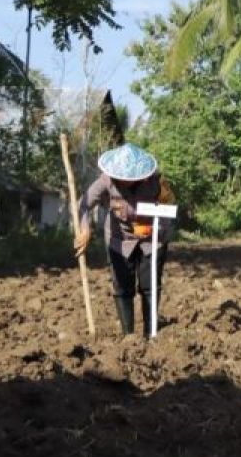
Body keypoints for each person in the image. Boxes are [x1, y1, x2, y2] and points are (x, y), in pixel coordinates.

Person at [74, 143, 175, 337]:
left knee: (150, 285)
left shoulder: (157, 183)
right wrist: (85, 229)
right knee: (122, 286)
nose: (123, 181)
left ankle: (150, 334)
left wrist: (155, 226)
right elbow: (84, 205)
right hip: (119, 239)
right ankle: (128, 335)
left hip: (152, 239)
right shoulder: (106, 181)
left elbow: (168, 210)